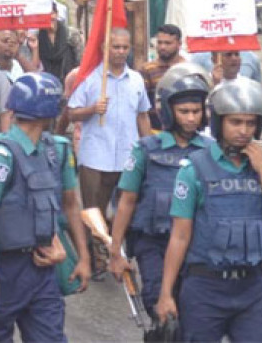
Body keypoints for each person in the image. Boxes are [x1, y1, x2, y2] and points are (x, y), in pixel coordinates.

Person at [154, 79, 262, 342]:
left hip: (250, 288)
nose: (244, 130)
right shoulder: (193, 168)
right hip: (204, 288)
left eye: (251, 123)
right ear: (219, 122)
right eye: (236, 122)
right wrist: (166, 294)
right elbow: (180, 236)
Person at [0, 73, 91, 342]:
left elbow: (70, 205)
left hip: (42, 268)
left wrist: (83, 257)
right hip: (4, 268)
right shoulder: (1, 156)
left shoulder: (56, 151)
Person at [108, 68, 211, 319]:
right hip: (152, 240)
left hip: (195, 243)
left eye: (196, 112)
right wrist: (115, 252)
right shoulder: (146, 149)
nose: (190, 118)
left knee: (191, 308)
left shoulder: (210, 151)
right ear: (169, 112)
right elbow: (127, 201)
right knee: (159, 305)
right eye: (184, 112)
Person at [66, 28, 152, 277]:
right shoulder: (90, 79)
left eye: (125, 47)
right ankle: (95, 259)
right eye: (116, 47)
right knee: (94, 211)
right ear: (105, 48)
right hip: (96, 155)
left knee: (127, 208)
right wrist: (92, 109)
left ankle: (113, 248)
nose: (121, 52)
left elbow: (142, 114)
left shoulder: (136, 79)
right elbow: (72, 112)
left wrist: (148, 148)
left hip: (128, 155)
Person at [139, 24, 187, 127]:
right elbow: (142, 105)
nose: (162, 47)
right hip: (155, 129)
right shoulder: (147, 69)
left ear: (179, 44)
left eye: (168, 43)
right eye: (159, 43)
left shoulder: (187, 69)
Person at [189, 50, 262, 85]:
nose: (234, 58)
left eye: (237, 54)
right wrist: (215, 84)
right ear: (214, 59)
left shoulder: (248, 85)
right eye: (228, 55)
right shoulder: (203, 84)